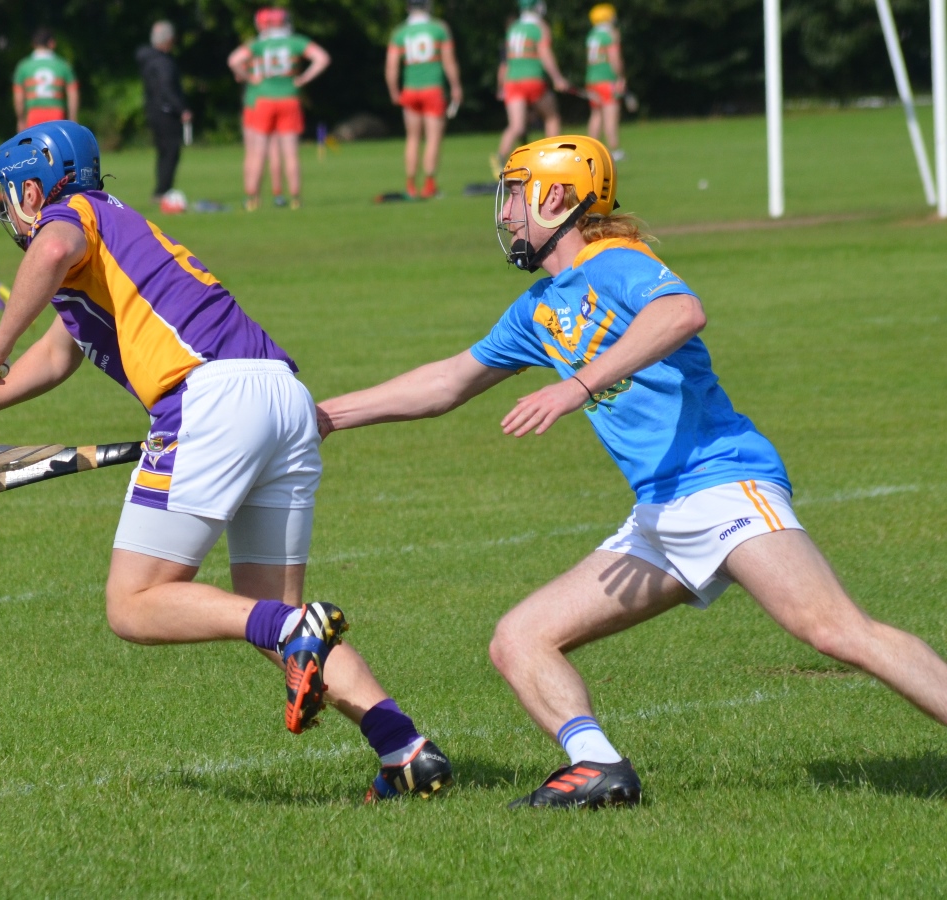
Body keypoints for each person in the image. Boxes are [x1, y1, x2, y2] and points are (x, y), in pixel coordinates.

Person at [315, 135, 947, 809]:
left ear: (556, 197)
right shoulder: (540, 305)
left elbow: (681, 313)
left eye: (513, 196)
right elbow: (448, 382)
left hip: (721, 481)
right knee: (520, 638)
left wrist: (577, 385)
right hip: (660, 512)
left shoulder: (616, 263)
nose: (504, 216)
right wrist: (325, 416)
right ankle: (596, 767)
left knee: (835, 631)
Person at [0, 121, 453, 803]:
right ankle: (405, 748)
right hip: (283, 397)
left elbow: (50, 245)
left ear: (31, 188)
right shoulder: (115, 235)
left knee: (133, 605)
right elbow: (58, 353)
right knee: (272, 622)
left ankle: (296, 628)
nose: (7, 212)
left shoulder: (69, 218)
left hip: (209, 397)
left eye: (8, 197)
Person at [228, 8, 330, 210]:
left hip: (262, 99)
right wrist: (303, 79)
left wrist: (251, 79)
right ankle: (295, 198)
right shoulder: (295, 42)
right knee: (290, 153)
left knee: (257, 152)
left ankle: (252, 199)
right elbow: (322, 58)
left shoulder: (258, 45)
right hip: (289, 99)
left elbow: (234, 61)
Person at [385, 0, 463, 200]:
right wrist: (455, 86)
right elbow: (448, 61)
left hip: (410, 90)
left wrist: (394, 91)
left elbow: (392, 66)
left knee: (412, 138)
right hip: (433, 89)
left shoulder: (400, 32)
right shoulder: (439, 28)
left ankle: (410, 185)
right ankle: (429, 185)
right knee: (433, 138)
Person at [493, 0, 570, 179]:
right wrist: (557, 78)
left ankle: (499, 158)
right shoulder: (540, 27)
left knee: (516, 126)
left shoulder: (513, 29)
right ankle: (552, 159)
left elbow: (505, 63)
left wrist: (500, 85)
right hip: (533, 79)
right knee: (551, 117)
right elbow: (545, 54)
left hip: (512, 82)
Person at [136, 20, 192, 202]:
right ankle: (164, 190)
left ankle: (161, 189)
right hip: (167, 113)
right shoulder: (164, 62)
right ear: (168, 40)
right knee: (171, 152)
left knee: (163, 152)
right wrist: (181, 108)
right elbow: (167, 88)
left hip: (153, 110)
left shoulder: (148, 58)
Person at [12, 28, 80, 131]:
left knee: (33, 145)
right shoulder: (63, 65)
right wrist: (73, 118)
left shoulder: (23, 66)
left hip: (33, 114)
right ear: (52, 43)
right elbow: (73, 94)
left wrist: (20, 120)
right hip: (56, 113)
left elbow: (19, 97)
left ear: (33, 44)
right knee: (55, 145)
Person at [585, 4, 625, 161]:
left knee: (596, 115)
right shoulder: (610, 35)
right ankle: (614, 149)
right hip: (607, 79)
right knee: (611, 114)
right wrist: (620, 77)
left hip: (592, 80)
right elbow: (615, 59)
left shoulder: (591, 35)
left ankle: (590, 150)